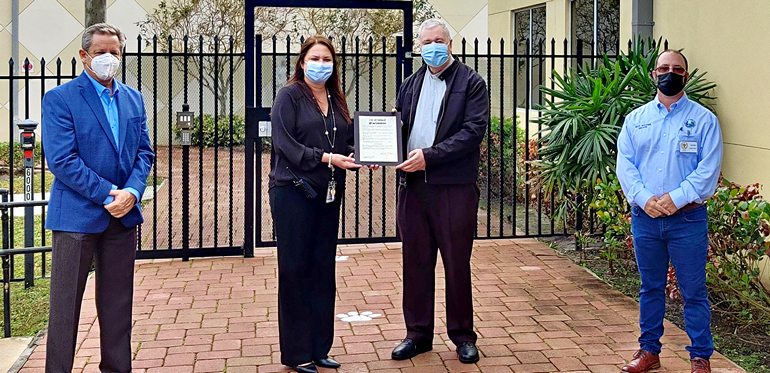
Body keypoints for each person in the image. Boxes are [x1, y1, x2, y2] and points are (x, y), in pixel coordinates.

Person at [41, 23, 154, 373]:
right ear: (84, 55)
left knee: (118, 305)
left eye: (114, 52)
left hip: (122, 217)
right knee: (65, 309)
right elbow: (62, 160)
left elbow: (144, 153)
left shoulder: (133, 98)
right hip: (76, 216)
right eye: (101, 52)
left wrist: (133, 192)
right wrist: (109, 194)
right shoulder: (61, 98)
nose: (108, 58)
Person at [616, 49, 722, 373]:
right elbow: (626, 164)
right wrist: (645, 198)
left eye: (677, 68)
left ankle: (700, 356)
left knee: (693, 290)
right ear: (654, 74)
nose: (669, 72)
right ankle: (649, 351)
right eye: (664, 68)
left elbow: (708, 170)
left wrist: (675, 198)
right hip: (646, 219)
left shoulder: (705, 120)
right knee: (650, 287)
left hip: (687, 219)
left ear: (685, 76)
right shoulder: (636, 119)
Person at [390, 18, 488, 364]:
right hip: (412, 187)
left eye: (438, 40)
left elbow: (473, 132)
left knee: (456, 263)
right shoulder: (410, 84)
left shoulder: (471, 82)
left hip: (454, 189)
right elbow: (399, 126)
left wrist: (428, 158)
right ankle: (417, 334)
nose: (432, 46)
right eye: (426, 41)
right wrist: (383, 149)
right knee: (415, 262)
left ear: (450, 44)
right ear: (419, 47)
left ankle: (463, 336)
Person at [269, 35, 368, 373]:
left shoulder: (336, 98)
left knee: (323, 269)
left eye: (327, 60)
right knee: (295, 269)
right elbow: (285, 145)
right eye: (316, 58)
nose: (321, 65)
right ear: (302, 62)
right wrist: (327, 158)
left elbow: (349, 139)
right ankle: (296, 354)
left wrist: (366, 154)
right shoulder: (288, 96)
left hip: (328, 193)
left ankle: (319, 347)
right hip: (293, 193)